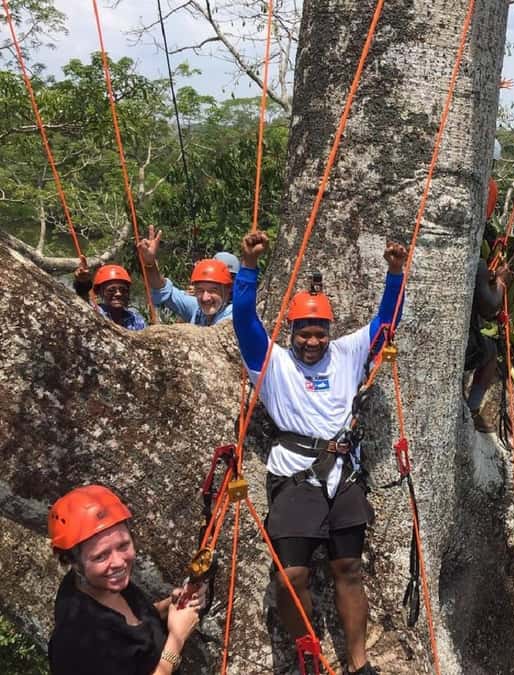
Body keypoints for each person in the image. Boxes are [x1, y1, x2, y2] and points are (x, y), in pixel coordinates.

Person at [233, 229, 407, 675]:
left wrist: (394, 275)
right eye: (305, 334)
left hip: (343, 475)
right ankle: (308, 651)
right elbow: (244, 320)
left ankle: (358, 661)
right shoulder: (272, 365)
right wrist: (247, 268)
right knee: (291, 577)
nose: (312, 342)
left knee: (349, 568)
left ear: (330, 332)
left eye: (319, 334)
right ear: (292, 331)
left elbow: (386, 323)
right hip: (297, 475)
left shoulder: (347, 354)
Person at [47, 485, 201, 674]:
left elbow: (133, 624)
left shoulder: (102, 583)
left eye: (123, 545)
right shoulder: (79, 643)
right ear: (73, 562)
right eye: (100, 557)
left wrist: (172, 604)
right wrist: (177, 638)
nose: (119, 562)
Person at [137, 226, 233, 326]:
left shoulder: (235, 316)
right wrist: (150, 263)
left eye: (213, 290)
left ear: (226, 291)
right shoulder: (196, 308)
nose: (205, 298)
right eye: (200, 290)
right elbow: (163, 290)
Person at [465, 259, 511, 432]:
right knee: (491, 351)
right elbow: (490, 307)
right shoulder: (477, 262)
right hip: (464, 347)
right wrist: (500, 282)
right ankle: (472, 409)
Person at [73, 263, 147, 331]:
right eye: (111, 290)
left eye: (123, 290)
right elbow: (82, 300)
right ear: (100, 292)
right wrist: (83, 282)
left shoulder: (135, 320)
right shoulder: (95, 312)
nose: (118, 294)